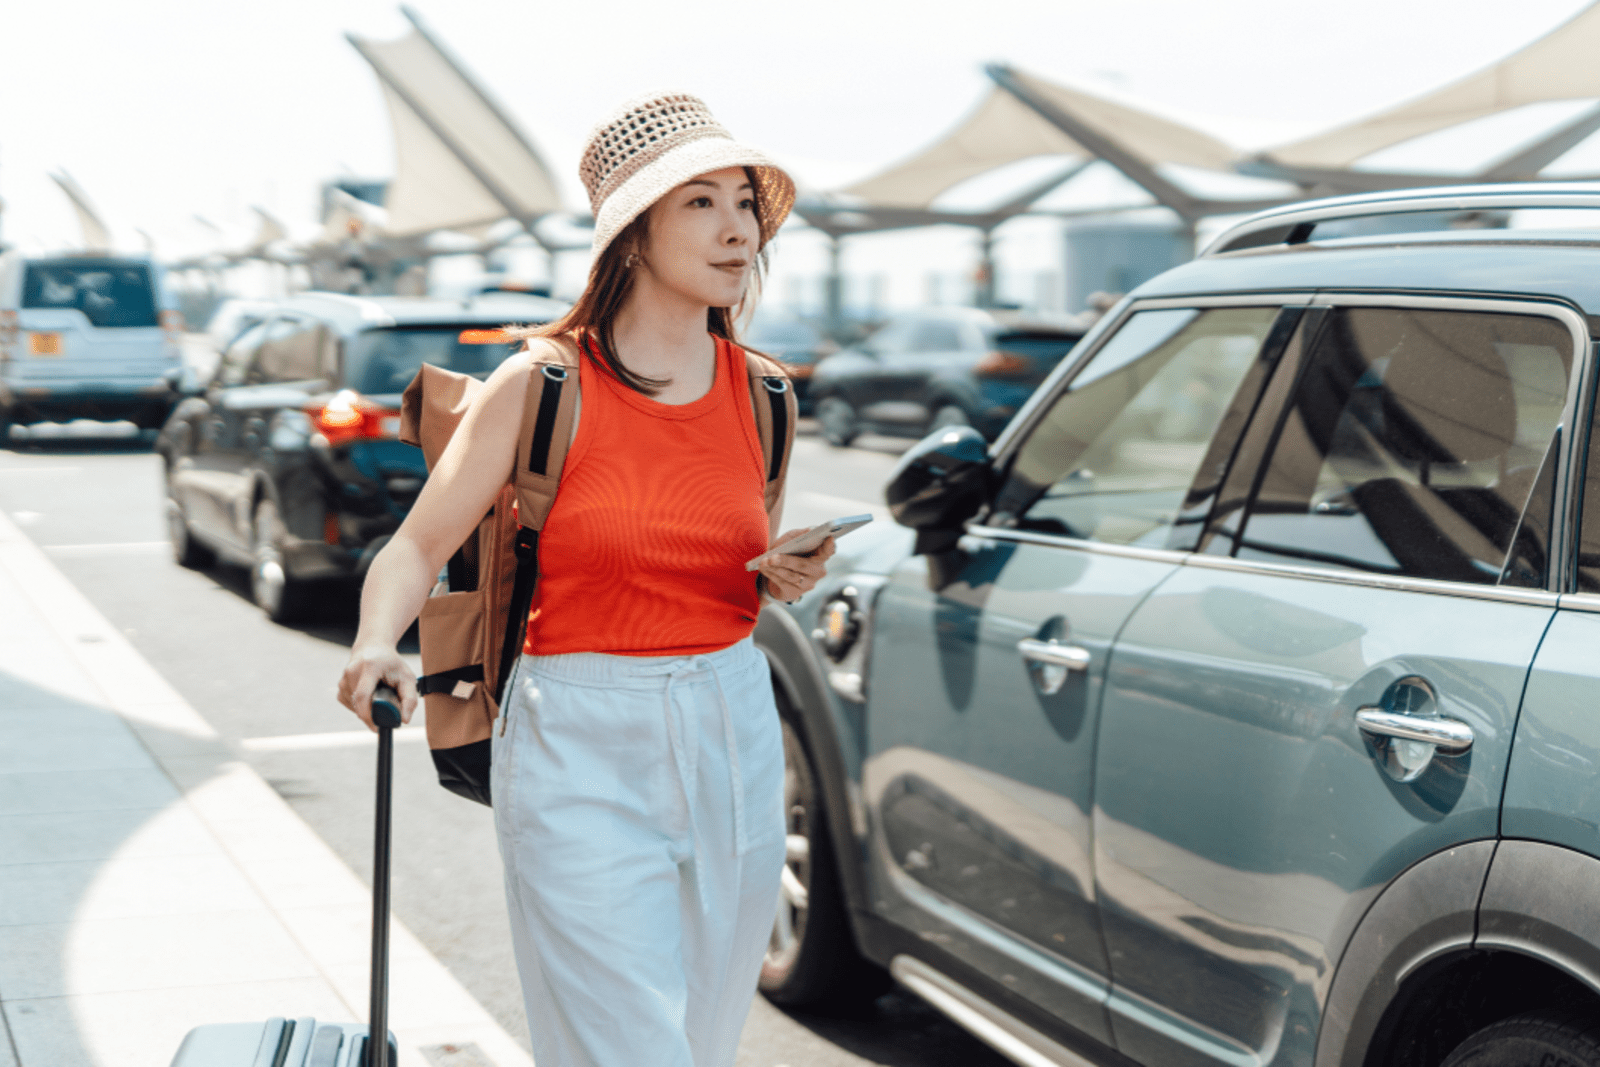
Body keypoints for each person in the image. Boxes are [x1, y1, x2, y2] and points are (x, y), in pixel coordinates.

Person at [336, 91, 830, 1067]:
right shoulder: (543, 384)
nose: (737, 229)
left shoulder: (767, 393)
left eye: (744, 203)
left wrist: (781, 573)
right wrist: (373, 645)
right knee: (631, 1049)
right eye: (700, 203)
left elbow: (720, 558)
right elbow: (415, 545)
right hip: (578, 735)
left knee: (701, 1041)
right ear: (631, 235)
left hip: (734, 721)